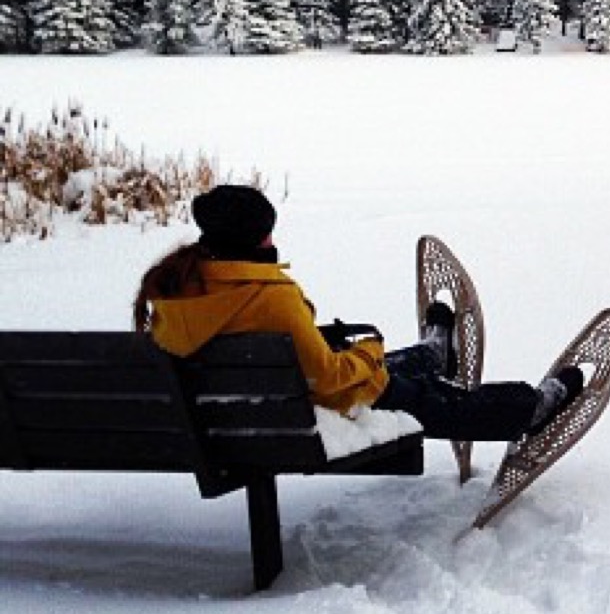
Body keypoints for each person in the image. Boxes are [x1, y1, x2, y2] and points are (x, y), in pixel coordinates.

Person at [134, 183, 582, 447]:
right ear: (253, 241)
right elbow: (329, 380)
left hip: (236, 422)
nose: (272, 243)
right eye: (267, 236)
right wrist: (369, 353)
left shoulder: (174, 291)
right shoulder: (270, 298)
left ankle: (432, 354)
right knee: (442, 403)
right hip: (314, 414)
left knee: (383, 367)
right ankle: (532, 408)